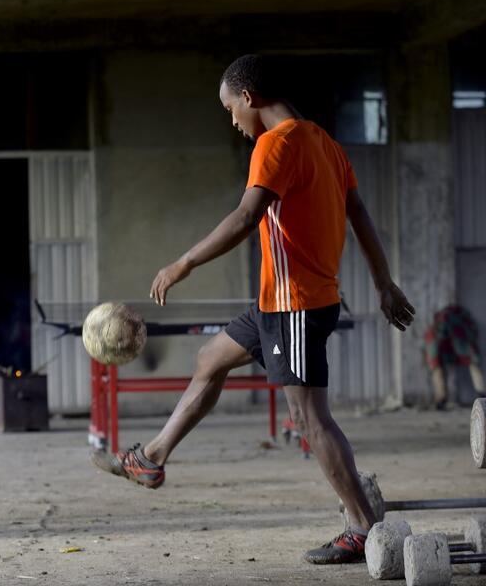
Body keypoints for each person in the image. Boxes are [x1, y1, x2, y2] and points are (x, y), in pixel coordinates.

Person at [91, 54, 416, 564]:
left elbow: (247, 216)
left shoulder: (275, 143)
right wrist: (383, 282)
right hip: (284, 302)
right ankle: (151, 458)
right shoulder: (324, 142)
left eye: (229, 109)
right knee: (210, 358)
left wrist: (183, 263)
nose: (233, 121)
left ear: (248, 97)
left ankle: (362, 528)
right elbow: (358, 212)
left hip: (296, 307)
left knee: (309, 419)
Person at [423, 304, 486, 409]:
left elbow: (471, 352)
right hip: (443, 342)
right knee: (437, 367)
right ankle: (441, 398)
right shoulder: (433, 334)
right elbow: (433, 359)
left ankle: (482, 394)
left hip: (457, 337)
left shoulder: (459, 326)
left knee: (472, 362)